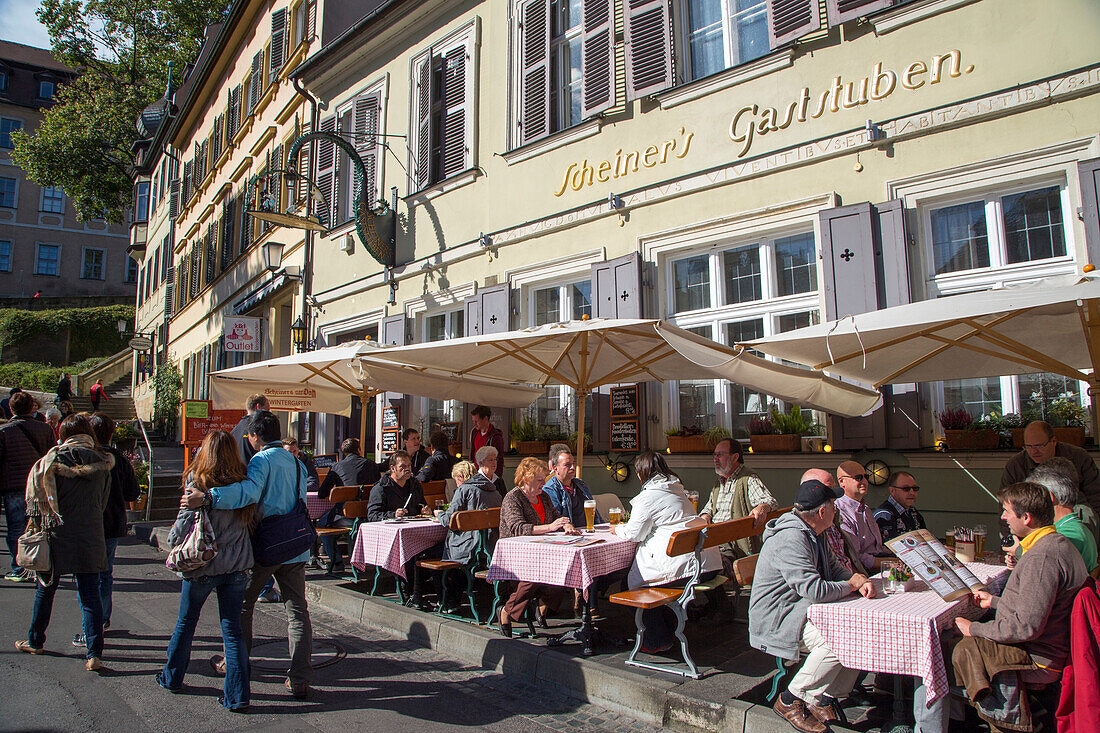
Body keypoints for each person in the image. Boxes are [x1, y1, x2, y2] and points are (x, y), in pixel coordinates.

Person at [182, 410, 314, 700]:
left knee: (243, 606)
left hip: (267, 545)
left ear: (255, 437)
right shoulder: (296, 462)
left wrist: (209, 497)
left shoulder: (261, 460)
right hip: (295, 544)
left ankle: (236, 662)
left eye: (250, 436)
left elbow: (249, 494)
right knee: (297, 612)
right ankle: (300, 678)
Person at [948, 482, 1088, 731]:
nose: (1003, 517)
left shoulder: (1041, 557)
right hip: (1052, 644)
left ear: (1026, 517)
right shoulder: (1057, 543)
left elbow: (1026, 627)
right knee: (966, 641)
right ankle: (1012, 708)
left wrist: (974, 630)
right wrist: (995, 601)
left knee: (957, 646)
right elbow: (1038, 605)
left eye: (1007, 511)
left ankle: (1005, 721)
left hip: (1039, 656)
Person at [749, 469, 874, 733]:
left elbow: (834, 567)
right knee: (838, 641)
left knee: (861, 633)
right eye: (833, 506)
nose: (837, 510)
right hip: (781, 616)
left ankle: (821, 697)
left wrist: (856, 579)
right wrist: (849, 585)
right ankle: (790, 700)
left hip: (804, 610)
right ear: (821, 512)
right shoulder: (791, 536)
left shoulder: (816, 531)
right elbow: (813, 589)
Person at [158, 431, 256, 712]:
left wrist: (172, 542)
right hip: (237, 564)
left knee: (186, 623)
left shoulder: (198, 483)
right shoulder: (243, 483)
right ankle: (238, 696)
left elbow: (180, 529)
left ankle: (173, 677)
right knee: (232, 631)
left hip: (202, 564)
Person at [17, 413, 115, 672]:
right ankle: (94, 653)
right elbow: (102, 504)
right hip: (90, 536)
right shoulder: (104, 462)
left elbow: (38, 506)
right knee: (90, 596)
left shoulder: (47, 463)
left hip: (55, 534)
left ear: (62, 434)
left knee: (45, 589)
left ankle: (35, 640)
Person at [612, 451, 721, 653]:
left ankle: (657, 638)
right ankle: (667, 631)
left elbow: (634, 533)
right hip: (707, 564)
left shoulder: (647, 497)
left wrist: (616, 528)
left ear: (640, 473)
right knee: (653, 583)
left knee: (629, 585)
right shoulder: (677, 490)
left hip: (685, 568)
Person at [77, 414, 141, 642]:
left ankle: (91, 627)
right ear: (112, 433)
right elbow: (133, 493)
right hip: (112, 522)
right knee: (105, 573)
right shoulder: (119, 459)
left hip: (87, 524)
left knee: (86, 576)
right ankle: (102, 618)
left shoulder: (85, 457)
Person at [498, 457, 578, 637]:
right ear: (526, 479)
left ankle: (543, 605)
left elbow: (556, 517)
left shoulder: (543, 496)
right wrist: (550, 527)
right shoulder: (513, 498)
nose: (544, 483)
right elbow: (518, 528)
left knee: (562, 570)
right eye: (540, 480)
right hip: (516, 556)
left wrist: (566, 525)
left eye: (544, 479)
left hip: (541, 553)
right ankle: (507, 612)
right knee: (532, 575)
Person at [1002, 420, 1100, 538]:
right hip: (1031, 530)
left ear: (1053, 441)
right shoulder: (1016, 465)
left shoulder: (1078, 458)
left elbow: (1096, 497)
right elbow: (1006, 508)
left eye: (1039, 446)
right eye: (1028, 446)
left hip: (1072, 523)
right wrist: (1010, 541)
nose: (1033, 451)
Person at [0, 391, 57, 583]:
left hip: (14, 485)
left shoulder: (4, 431)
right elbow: (51, 458)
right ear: (32, 407)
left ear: (11, 408)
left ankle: (20, 567)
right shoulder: (45, 430)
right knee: (40, 526)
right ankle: (40, 564)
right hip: (40, 485)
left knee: (16, 528)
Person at [434, 459, 502, 613]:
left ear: (462, 476)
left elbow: (449, 521)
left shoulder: (464, 490)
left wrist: (439, 514)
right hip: (490, 544)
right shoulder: (493, 489)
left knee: (436, 550)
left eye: (456, 479)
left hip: (471, 546)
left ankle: (448, 601)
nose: (456, 484)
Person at [699, 438, 778, 562]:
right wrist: (705, 515)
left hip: (734, 546)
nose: (715, 459)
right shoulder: (719, 482)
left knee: (706, 563)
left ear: (735, 457)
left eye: (719, 455)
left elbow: (770, 501)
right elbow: (709, 508)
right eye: (714, 455)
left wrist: (762, 507)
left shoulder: (748, 479)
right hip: (713, 541)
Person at [317, 438, 380, 574]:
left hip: (346, 515)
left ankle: (336, 561)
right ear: (359, 450)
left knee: (322, 524)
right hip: (367, 513)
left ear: (344, 453)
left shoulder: (337, 467)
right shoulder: (371, 465)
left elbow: (322, 493)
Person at [1029, 460, 1097, 572]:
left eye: (1036, 495)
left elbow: (1042, 570)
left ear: (1050, 497)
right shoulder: (1070, 527)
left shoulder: (1066, 534)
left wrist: (1018, 551)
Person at [834, 460, 887, 571]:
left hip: (880, 563)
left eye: (866, 477)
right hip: (864, 572)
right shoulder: (840, 512)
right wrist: (890, 563)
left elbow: (877, 547)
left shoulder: (864, 507)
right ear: (842, 481)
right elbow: (856, 558)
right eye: (858, 478)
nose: (865, 482)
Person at [543, 445, 602, 529]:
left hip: (590, 531)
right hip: (568, 535)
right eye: (567, 465)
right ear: (556, 469)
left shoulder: (581, 484)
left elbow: (595, 514)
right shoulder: (550, 489)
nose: (573, 467)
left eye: (573, 463)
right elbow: (555, 518)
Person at [874, 470, 926, 541]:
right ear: (892, 491)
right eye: (906, 489)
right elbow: (889, 548)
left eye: (915, 488)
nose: (912, 493)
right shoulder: (884, 515)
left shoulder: (913, 512)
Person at [230, 393, 269, 463]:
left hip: (238, 471)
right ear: (258, 407)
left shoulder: (235, 430)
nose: (269, 414)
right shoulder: (260, 428)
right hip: (254, 471)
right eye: (267, 410)